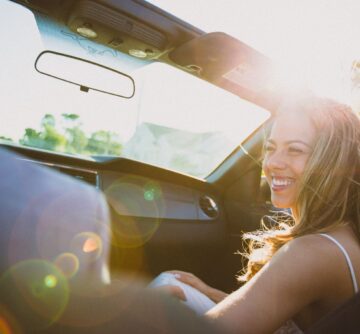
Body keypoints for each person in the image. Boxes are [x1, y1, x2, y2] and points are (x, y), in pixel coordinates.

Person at [159, 96, 360, 333]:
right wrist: (211, 294)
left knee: (162, 290)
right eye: (271, 148)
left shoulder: (313, 252)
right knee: (174, 281)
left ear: (333, 163)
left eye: (295, 150)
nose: (273, 162)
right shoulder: (341, 235)